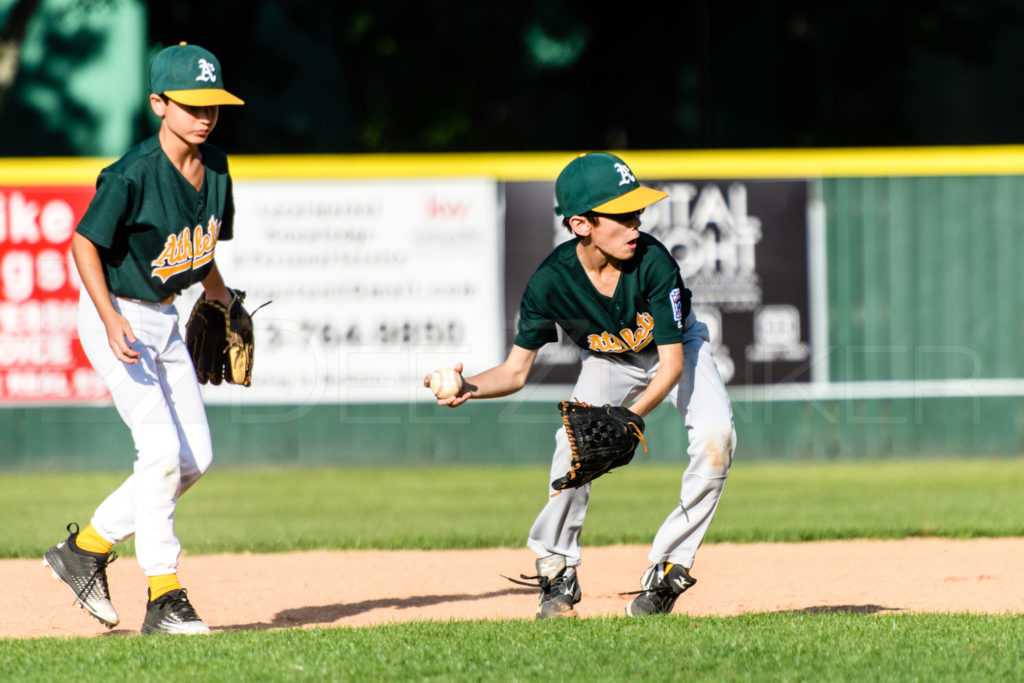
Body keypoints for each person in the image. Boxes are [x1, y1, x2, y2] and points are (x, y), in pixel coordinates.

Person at [425, 152, 736, 619]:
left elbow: (670, 365)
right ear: (581, 224)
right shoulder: (551, 283)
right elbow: (514, 372)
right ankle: (557, 569)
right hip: (610, 360)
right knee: (572, 448)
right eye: (622, 215)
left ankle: (670, 565)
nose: (636, 224)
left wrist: (629, 419)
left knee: (717, 438)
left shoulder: (653, 261)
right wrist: (469, 385)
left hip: (679, 348)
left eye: (638, 213)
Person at [43, 42, 244, 635]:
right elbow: (83, 244)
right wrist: (108, 318)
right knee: (159, 455)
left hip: (166, 319)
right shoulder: (132, 174)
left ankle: (87, 548)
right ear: (159, 103)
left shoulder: (219, 170)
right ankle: (165, 595)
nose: (205, 116)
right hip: (117, 317)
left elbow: (202, 245)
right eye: (192, 105)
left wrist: (220, 295)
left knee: (195, 458)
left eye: (214, 105)